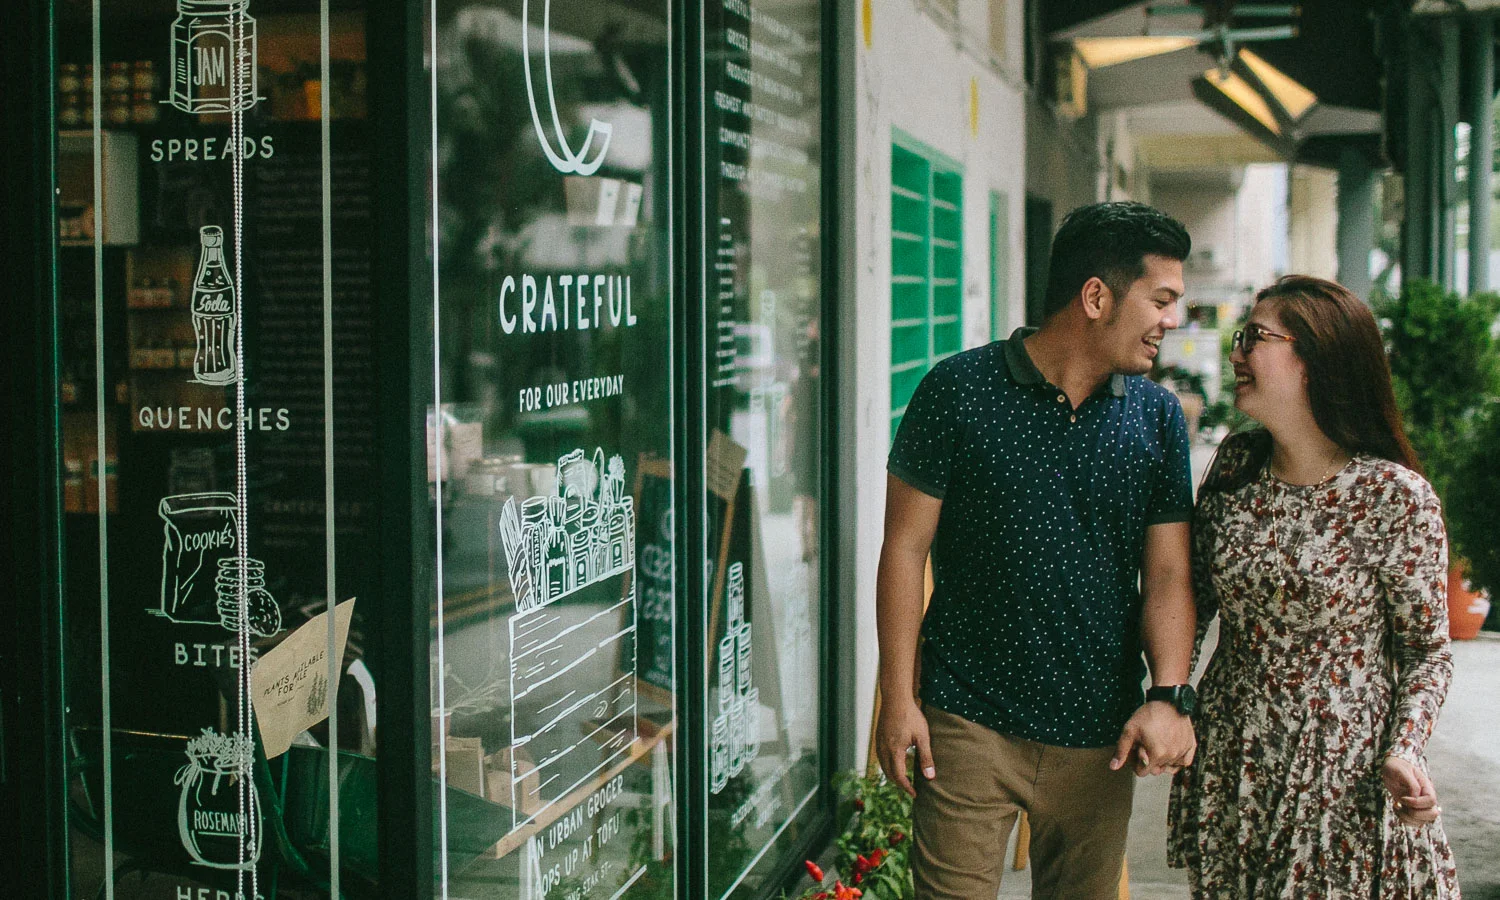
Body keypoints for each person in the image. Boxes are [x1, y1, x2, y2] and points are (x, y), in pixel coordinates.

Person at [876, 201, 1200, 899]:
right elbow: (904, 548)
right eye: (1162, 299)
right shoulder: (957, 391)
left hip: (1099, 735)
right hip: (966, 720)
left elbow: (1170, 572)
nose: (1170, 321)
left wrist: (1171, 695)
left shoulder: (1157, 416)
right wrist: (897, 698)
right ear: (1096, 296)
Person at [1168, 275, 1461, 898]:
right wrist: (1172, 700)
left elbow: (1427, 652)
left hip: (1341, 769)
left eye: (1254, 337)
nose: (1236, 353)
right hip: (1233, 756)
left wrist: (1406, 750)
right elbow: (1190, 604)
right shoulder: (1235, 464)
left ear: (1315, 358)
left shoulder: (1394, 498)